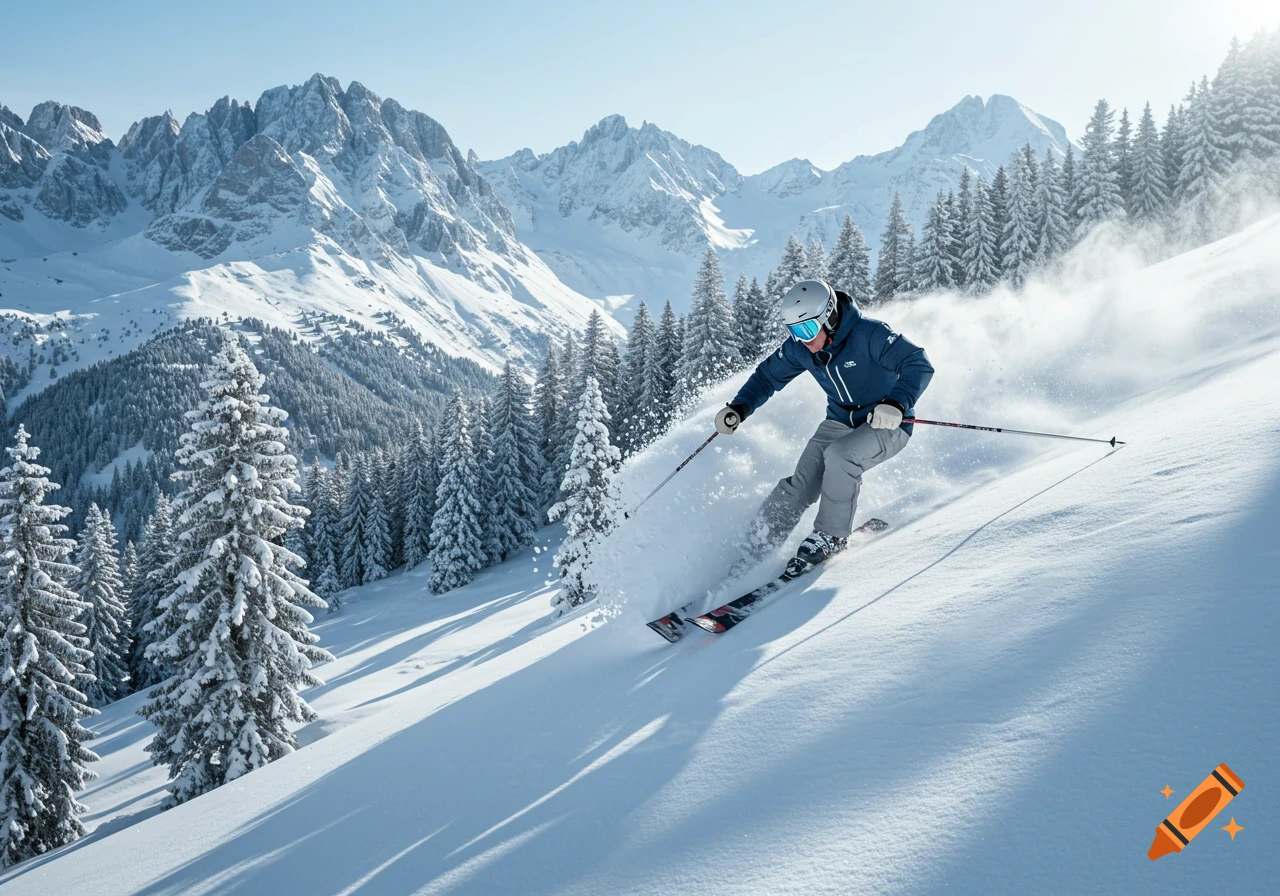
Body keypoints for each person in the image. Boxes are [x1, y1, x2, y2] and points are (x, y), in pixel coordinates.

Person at [715, 278, 933, 567]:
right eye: (794, 331)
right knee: (803, 481)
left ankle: (831, 536)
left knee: (841, 457)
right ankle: (759, 541)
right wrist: (740, 407)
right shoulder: (801, 348)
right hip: (840, 419)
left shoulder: (869, 334)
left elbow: (917, 362)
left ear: (829, 317)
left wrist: (896, 403)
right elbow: (768, 376)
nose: (803, 339)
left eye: (806, 329)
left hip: (888, 422)